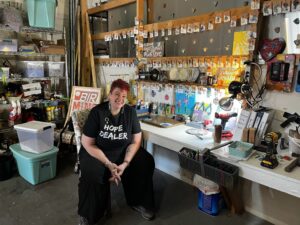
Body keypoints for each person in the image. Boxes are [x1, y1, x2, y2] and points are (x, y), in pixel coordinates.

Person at [78, 79, 155, 225]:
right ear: (110, 94)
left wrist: (125, 163)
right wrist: (108, 163)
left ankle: (139, 202)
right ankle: (89, 214)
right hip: (98, 152)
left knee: (145, 161)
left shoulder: (130, 113)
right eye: (117, 94)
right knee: (92, 172)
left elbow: (136, 141)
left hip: (122, 152)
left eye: (124, 96)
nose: (120, 99)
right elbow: (87, 143)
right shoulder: (97, 112)